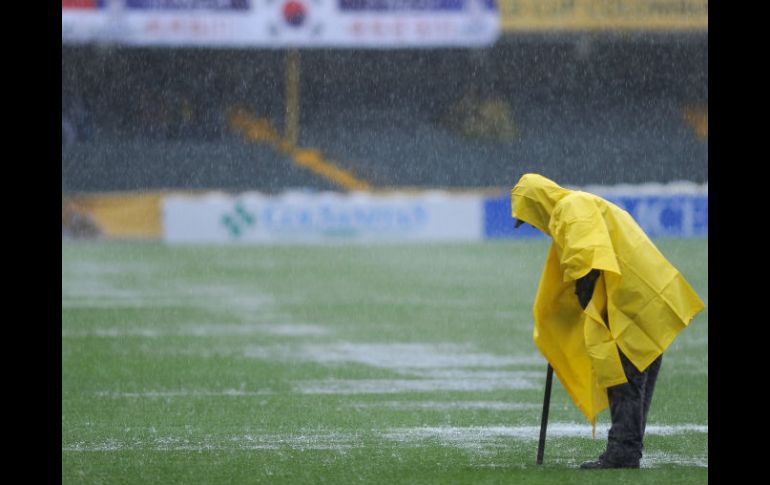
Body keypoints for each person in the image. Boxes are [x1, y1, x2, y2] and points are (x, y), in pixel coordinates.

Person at [510, 173, 704, 469]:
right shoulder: (579, 205)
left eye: (529, 218)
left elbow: (587, 262)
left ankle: (623, 451)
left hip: (629, 299)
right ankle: (628, 445)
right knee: (636, 375)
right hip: (646, 295)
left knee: (623, 377)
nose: (534, 226)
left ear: (536, 204)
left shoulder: (569, 209)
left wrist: (585, 305)